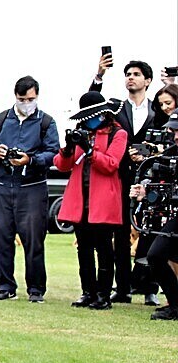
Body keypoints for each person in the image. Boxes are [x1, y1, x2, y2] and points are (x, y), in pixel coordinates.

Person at [90, 55, 166, 304]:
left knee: (151, 233)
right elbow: (90, 109)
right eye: (127, 74)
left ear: (148, 80)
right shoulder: (116, 110)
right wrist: (99, 76)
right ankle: (122, 288)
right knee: (120, 234)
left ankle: (150, 288)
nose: (130, 78)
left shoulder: (158, 109)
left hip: (152, 178)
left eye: (135, 74)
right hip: (121, 177)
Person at [0, 75, 60, 302]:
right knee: (1, 237)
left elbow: (54, 153)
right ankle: (5, 286)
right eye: (22, 99)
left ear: (37, 97)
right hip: (0, 185)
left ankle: (35, 289)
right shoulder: (1, 119)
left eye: (31, 99)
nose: (27, 103)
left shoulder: (46, 122)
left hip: (31, 186)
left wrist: (30, 160)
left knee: (34, 239)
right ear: (15, 96)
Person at [54, 92, 127, 310]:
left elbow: (111, 164)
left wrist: (89, 150)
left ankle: (103, 294)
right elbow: (62, 165)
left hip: (103, 199)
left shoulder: (117, 133)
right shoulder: (82, 132)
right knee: (83, 248)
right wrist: (68, 148)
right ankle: (88, 291)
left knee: (104, 248)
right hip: (80, 199)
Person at [128, 112, 178, 320]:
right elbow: (160, 181)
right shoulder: (172, 153)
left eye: (177, 131)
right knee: (156, 255)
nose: (175, 136)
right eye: (173, 131)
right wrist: (144, 191)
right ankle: (175, 305)